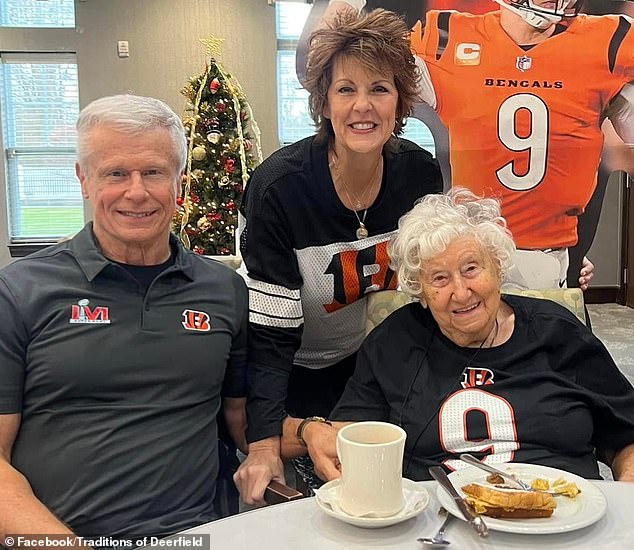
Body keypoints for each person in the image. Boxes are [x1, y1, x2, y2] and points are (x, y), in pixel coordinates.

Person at [0, 94, 248, 540]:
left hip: (191, 537)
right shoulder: (20, 291)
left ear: (180, 182)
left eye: (153, 172)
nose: (137, 192)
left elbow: (244, 422)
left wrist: (316, 433)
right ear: (83, 180)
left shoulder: (223, 291)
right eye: (116, 173)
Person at [281, 189, 634, 483]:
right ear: (419, 290)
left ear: (497, 267)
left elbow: (626, 435)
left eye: (471, 269)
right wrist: (309, 431)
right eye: (439, 279)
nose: (461, 292)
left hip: (563, 520)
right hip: (438, 526)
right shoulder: (396, 341)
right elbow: (347, 437)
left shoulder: (558, 332)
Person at [234, 8, 442, 504]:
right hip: (281, 367)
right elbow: (269, 336)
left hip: (362, 359)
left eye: (380, 88)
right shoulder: (278, 191)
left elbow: (423, 286)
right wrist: (263, 446)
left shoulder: (419, 175)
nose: (362, 106)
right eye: (346, 89)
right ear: (323, 103)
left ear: (401, 101)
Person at [320, 0, 634, 290]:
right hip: (466, 257)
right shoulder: (447, 35)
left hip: (550, 264)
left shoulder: (605, 41)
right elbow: (335, 57)